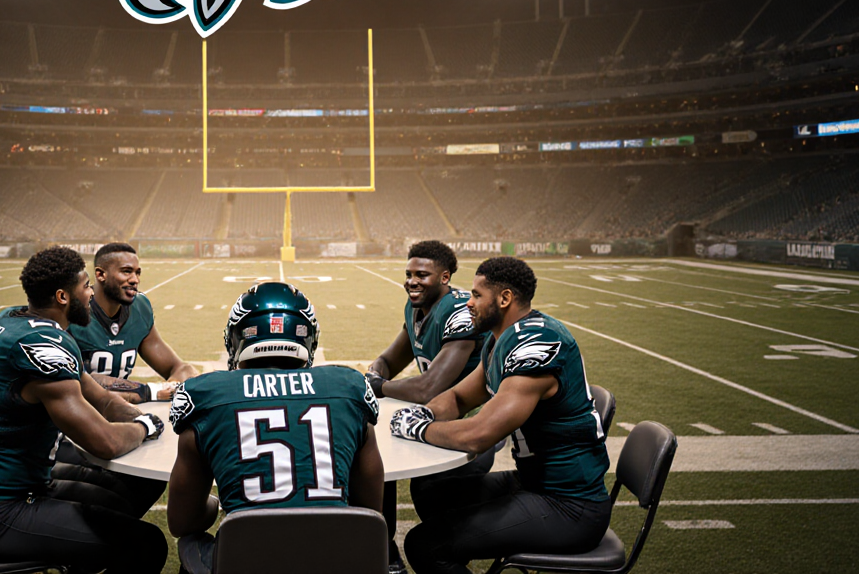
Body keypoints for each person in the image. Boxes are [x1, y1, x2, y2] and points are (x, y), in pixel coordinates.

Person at [0, 246, 168, 574]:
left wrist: (147, 417)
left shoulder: (16, 319)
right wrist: (145, 429)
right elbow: (105, 442)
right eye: (85, 286)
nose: (91, 292)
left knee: (121, 504)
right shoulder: (40, 347)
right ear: (64, 297)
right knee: (147, 543)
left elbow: (103, 399)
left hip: (21, 485)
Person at [391, 256, 612, 574]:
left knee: (424, 545)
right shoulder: (501, 340)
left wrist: (418, 429)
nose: (468, 303)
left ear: (505, 298)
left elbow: (478, 436)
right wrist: (423, 412)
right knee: (431, 493)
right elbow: (457, 398)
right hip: (534, 483)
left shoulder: (537, 344)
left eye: (477, 295)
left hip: (569, 504)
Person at [166, 282, 385, 574]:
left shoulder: (204, 395)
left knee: (192, 541)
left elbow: (183, 521)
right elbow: (369, 508)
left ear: (237, 338)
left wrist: (221, 503)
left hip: (247, 559)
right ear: (309, 338)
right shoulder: (349, 388)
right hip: (334, 559)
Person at [365, 240, 491, 573]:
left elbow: (428, 387)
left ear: (445, 277)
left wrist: (376, 386)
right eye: (408, 274)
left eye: (422, 274)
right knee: (384, 463)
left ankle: (447, 555)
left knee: (430, 488)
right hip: (432, 421)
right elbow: (389, 360)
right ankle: (386, 547)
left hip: (473, 425)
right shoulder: (416, 308)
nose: (412, 281)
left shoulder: (460, 311)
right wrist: (375, 374)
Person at [68, 242, 198, 403]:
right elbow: (79, 382)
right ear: (101, 274)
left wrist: (176, 386)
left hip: (115, 416)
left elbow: (180, 368)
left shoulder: (140, 307)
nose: (134, 280)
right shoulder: (72, 312)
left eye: (137, 273)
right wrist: (150, 391)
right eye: (126, 272)